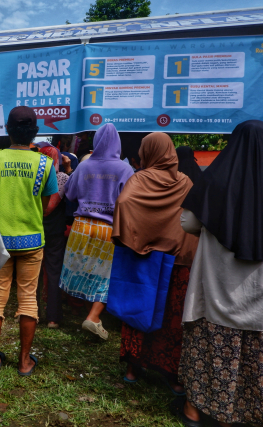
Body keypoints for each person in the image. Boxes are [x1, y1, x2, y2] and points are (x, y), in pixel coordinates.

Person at [173, 120, 263, 427]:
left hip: (221, 282)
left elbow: (188, 224)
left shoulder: (215, 180)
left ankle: (199, 411)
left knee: (212, 346)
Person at [112, 132, 199, 394]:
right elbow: (193, 216)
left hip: (144, 258)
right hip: (177, 262)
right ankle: (171, 373)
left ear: (148, 151)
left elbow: (124, 202)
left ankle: (132, 368)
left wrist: (141, 236)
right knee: (172, 320)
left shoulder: (140, 178)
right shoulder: (185, 181)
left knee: (138, 308)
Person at [0, 106, 58, 376]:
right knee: (28, 299)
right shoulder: (45, 164)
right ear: (34, 131)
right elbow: (46, 206)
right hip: (32, 240)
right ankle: (24, 362)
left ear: (8, 129)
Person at [58, 124, 133, 338]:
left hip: (81, 226)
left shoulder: (83, 166)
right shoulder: (124, 169)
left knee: (82, 268)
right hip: (108, 228)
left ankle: (81, 311)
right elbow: (128, 202)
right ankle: (93, 316)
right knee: (106, 274)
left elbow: (69, 194)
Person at [38, 144, 72, 328]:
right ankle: (53, 318)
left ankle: (30, 313)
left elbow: (43, 209)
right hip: (55, 232)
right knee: (53, 273)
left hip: (35, 229)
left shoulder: (34, 176)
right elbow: (50, 208)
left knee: (32, 273)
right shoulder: (62, 177)